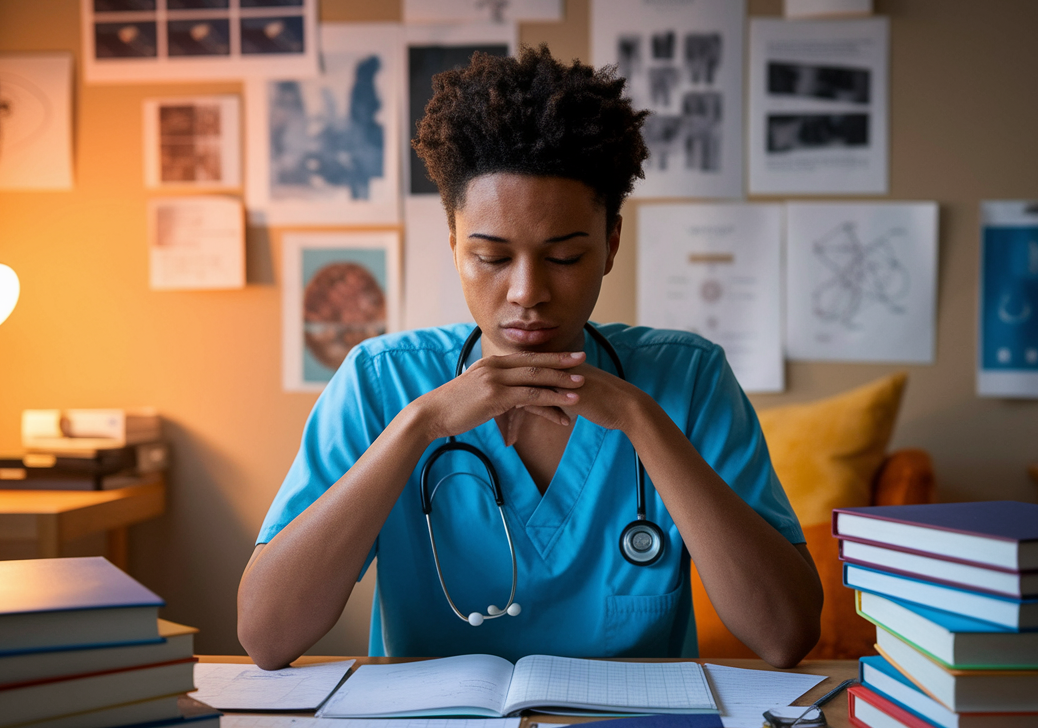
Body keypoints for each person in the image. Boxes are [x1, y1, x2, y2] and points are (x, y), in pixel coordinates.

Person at [238, 46, 823, 670]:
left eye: (565, 256)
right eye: (491, 257)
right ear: (454, 244)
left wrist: (640, 420)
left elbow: (784, 633)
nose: (527, 293)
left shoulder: (689, 377)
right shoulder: (378, 382)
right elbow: (268, 636)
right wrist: (419, 426)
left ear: (611, 245)